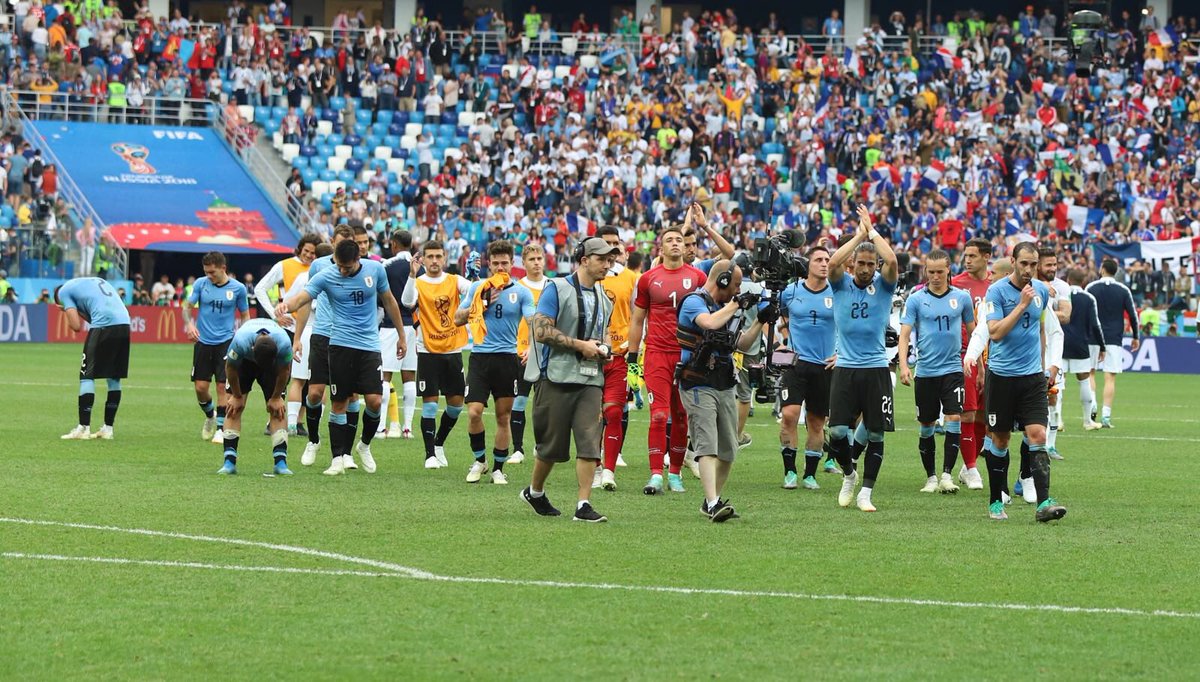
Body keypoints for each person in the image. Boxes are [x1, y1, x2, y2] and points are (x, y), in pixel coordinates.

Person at [278, 238, 408, 475]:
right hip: (339, 345)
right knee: (338, 402)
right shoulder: (327, 275)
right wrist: (285, 306)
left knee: (375, 401)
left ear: (358, 260)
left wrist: (402, 335)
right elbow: (302, 298)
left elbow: (389, 301)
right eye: (339, 265)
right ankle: (337, 458)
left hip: (369, 346)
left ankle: (364, 445)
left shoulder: (375, 270)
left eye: (346, 267)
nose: (341, 270)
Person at [520, 237, 618, 522]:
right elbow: (541, 331)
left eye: (609, 259)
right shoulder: (557, 288)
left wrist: (605, 349)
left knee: (589, 442)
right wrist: (580, 345)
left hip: (590, 379)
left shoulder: (604, 298)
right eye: (601, 258)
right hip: (556, 377)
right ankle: (535, 491)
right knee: (551, 447)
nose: (607, 264)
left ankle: (583, 505)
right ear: (583, 259)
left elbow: (606, 332)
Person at [677, 259, 775, 521]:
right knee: (707, 444)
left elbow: (741, 344)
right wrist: (736, 305)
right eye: (735, 284)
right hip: (697, 381)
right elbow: (708, 324)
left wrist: (759, 321)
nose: (737, 289)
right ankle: (712, 503)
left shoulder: (727, 308)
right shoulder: (694, 302)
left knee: (729, 449)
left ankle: (712, 500)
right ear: (722, 280)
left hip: (724, 382)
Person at [982, 241, 1066, 523]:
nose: (1030, 269)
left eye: (1034, 264)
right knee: (1001, 440)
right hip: (1002, 377)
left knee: (1038, 435)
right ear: (1013, 261)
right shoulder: (996, 291)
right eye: (1025, 264)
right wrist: (1021, 305)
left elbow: (1041, 331)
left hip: (1031, 378)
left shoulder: (1042, 291)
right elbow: (995, 333)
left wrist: (1044, 369)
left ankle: (1044, 503)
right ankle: (996, 501)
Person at [626, 211, 708, 495]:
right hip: (657, 354)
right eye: (670, 240)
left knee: (682, 415)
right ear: (661, 248)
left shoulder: (698, 277)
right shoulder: (649, 279)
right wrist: (632, 356)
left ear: (685, 247)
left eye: (679, 240)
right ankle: (655, 475)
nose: (675, 243)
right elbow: (638, 319)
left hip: (687, 354)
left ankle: (675, 473)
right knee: (659, 415)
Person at [825, 206, 899, 513]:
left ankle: (866, 492)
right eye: (861, 263)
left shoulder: (883, 287)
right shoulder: (840, 285)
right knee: (838, 432)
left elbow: (892, 260)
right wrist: (858, 236)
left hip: (876, 369)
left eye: (871, 263)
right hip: (846, 368)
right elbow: (832, 262)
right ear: (853, 263)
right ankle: (849, 473)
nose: (866, 268)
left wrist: (872, 232)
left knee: (876, 431)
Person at [454, 240, 536, 485]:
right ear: (489, 264)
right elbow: (458, 319)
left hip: (507, 359)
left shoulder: (521, 291)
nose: (501, 267)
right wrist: (483, 301)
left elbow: (533, 322)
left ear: (513, 264)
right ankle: (480, 461)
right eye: (496, 262)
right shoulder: (478, 287)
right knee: (474, 412)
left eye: (505, 263)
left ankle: (498, 468)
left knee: (503, 417)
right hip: (480, 357)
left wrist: (532, 347)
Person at [898, 249, 975, 494]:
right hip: (926, 372)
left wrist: (978, 364)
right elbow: (905, 334)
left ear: (948, 270)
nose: (935, 276)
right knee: (927, 424)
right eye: (931, 272)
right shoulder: (916, 299)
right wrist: (903, 366)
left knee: (954, 418)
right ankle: (930, 477)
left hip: (953, 369)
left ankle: (946, 475)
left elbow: (974, 333)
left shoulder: (962, 298)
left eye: (940, 271)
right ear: (925, 271)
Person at [401, 239, 472, 469]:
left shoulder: (454, 280)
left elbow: (474, 292)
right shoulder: (418, 282)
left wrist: (475, 279)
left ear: (444, 258)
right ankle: (429, 454)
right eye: (429, 257)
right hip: (427, 350)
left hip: (453, 349)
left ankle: (439, 443)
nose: (434, 261)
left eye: (438, 256)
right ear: (422, 260)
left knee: (456, 405)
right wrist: (412, 275)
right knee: (430, 404)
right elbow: (407, 302)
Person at [290, 226, 354, 468]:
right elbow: (306, 300)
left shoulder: (363, 268)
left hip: (349, 338)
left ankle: (344, 453)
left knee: (348, 396)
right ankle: (313, 440)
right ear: (332, 242)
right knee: (315, 393)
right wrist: (298, 337)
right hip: (322, 335)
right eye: (341, 243)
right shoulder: (318, 266)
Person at [777, 245, 837, 490]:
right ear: (808, 265)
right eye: (819, 259)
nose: (825, 264)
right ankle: (789, 472)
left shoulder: (837, 293)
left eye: (827, 260)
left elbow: (848, 324)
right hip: (795, 364)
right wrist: (780, 341)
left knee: (816, 422)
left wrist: (840, 352)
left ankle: (810, 474)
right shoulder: (790, 292)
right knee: (789, 416)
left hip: (824, 366)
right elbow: (771, 315)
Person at [254, 234, 320, 435]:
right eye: (306, 250)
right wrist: (276, 315)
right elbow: (260, 288)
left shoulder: (319, 269)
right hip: (289, 329)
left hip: (311, 328)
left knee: (307, 377)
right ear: (299, 249)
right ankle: (272, 419)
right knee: (282, 374)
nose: (308, 255)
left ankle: (297, 422)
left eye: (313, 252)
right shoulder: (285, 265)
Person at [182, 251, 248, 445]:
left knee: (222, 386)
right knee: (201, 388)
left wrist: (241, 335)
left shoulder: (238, 289)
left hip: (226, 342)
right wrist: (189, 324)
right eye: (206, 272)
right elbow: (187, 307)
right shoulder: (201, 284)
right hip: (203, 341)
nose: (209, 276)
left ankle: (220, 429)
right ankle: (210, 415)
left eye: (212, 272)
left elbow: (244, 315)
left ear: (223, 268)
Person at [217, 318, 294, 476]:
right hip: (245, 363)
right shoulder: (240, 342)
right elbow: (230, 368)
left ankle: (281, 463)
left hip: (273, 364)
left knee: (277, 409)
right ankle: (229, 462)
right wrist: (237, 395)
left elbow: (285, 371)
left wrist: (277, 396)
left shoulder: (284, 344)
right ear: (251, 348)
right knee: (234, 408)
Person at [56, 277, 131, 441]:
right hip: (124, 322)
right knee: (114, 378)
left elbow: (75, 326)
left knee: (86, 375)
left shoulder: (64, 292)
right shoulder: (89, 282)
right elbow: (92, 318)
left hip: (104, 323)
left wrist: (67, 312)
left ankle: (83, 428)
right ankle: (108, 429)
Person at [280, 241, 334, 467]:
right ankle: (315, 424)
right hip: (325, 331)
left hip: (306, 331)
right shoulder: (330, 275)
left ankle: (292, 423)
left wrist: (296, 336)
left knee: (299, 380)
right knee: (320, 384)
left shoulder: (306, 278)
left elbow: (292, 303)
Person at [595, 225, 640, 490]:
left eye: (615, 243)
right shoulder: (587, 276)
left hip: (619, 356)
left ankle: (608, 469)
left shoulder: (631, 279)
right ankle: (596, 464)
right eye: (606, 242)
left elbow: (638, 315)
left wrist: (632, 346)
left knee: (613, 411)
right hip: (590, 357)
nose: (612, 248)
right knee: (591, 415)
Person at [950, 237, 992, 489]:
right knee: (967, 411)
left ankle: (967, 466)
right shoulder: (956, 284)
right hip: (966, 356)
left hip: (996, 358)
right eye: (965, 255)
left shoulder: (995, 285)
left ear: (987, 257)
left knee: (985, 418)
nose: (967, 260)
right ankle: (973, 470)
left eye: (973, 256)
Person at [1085, 260, 1140, 428]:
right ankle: (1106, 416)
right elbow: (1132, 314)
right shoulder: (1123, 290)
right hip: (1113, 338)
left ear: (1102, 269)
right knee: (1110, 378)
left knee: (1090, 373)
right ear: (1115, 272)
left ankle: (1092, 403)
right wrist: (1136, 336)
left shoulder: (1091, 288)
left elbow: (1084, 311)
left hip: (1093, 336)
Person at [378, 230, 419, 440]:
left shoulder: (386, 266)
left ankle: (381, 428)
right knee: (409, 376)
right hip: (413, 326)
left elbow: (380, 297)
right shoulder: (418, 268)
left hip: (390, 326)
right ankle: (407, 428)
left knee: (385, 376)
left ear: (394, 244)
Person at [511, 245, 549, 465]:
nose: (536, 262)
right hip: (520, 353)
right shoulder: (516, 288)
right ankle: (517, 449)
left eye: (539, 258)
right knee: (519, 401)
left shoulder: (552, 287)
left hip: (544, 353)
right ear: (523, 263)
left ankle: (541, 446)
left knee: (543, 404)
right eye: (532, 259)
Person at [1036, 247, 1071, 459]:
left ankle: (1050, 445)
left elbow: (1066, 315)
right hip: (1033, 348)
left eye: (1055, 264)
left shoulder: (1062, 286)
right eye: (1048, 265)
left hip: (1053, 348)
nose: (1052, 269)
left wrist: (1044, 311)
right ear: (1037, 265)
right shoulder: (1031, 284)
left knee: (1054, 398)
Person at [1062, 268, 1107, 431]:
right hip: (1080, 344)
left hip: (1061, 343)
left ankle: (1057, 420)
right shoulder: (1089, 298)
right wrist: (1102, 346)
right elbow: (1096, 324)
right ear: (1083, 282)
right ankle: (1088, 421)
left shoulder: (1061, 295)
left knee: (1059, 382)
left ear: (1068, 280)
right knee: (1084, 381)